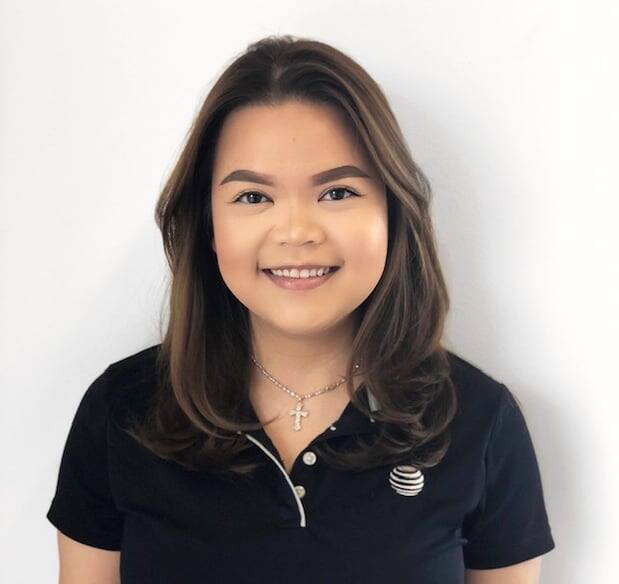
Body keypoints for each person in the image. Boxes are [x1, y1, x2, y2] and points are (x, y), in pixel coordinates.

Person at [46, 35, 556, 583]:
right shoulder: (122, 410)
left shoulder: (480, 423)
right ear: (208, 226)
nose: (296, 232)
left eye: (337, 193)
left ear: (393, 212)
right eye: (253, 197)